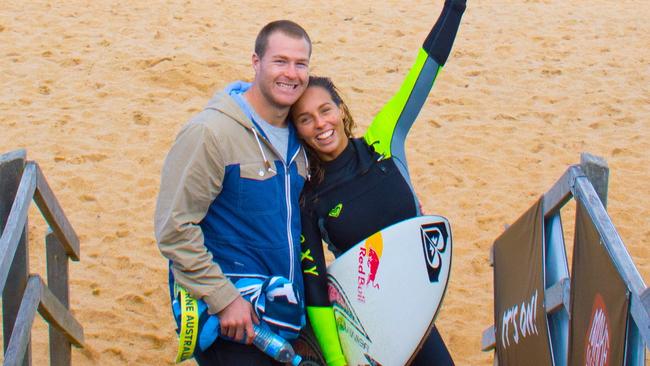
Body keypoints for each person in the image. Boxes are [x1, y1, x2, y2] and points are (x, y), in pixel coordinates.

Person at [291, 1, 466, 365]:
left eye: (325, 110)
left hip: (420, 314)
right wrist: (338, 363)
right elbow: (317, 286)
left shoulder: (382, 144)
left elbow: (425, 69)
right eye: (305, 120)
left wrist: (455, 8)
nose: (320, 124)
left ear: (340, 108)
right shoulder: (309, 199)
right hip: (370, 330)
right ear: (298, 132)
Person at [155, 20, 312, 365]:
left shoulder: (303, 139)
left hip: (285, 312)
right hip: (230, 320)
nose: (291, 73)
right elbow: (174, 229)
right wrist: (223, 298)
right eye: (280, 61)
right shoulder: (210, 134)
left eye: (301, 64)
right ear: (256, 62)